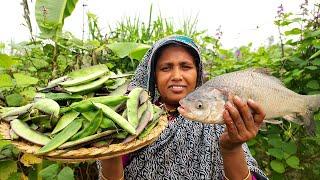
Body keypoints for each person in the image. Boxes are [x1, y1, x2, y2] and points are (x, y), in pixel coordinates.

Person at [98, 35, 268, 180]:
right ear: (154, 77)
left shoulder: (222, 118)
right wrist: (112, 147)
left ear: (198, 73)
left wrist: (231, 148)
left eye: (186, 67)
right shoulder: (135, 120)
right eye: (166, 68)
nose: (177, 76)